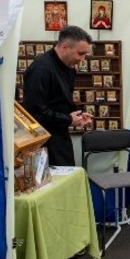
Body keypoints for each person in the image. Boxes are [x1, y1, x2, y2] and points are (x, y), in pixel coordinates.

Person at [23, 25, 94, 166]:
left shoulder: (69, 67)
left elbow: (62, 99)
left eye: (85, 54)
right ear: (65, 47)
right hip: (43, 143)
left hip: (61, 138)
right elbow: (34, 113)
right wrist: (68, 119)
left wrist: (79, 114)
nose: (82, 59)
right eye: (80, 53)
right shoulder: (41, 69)